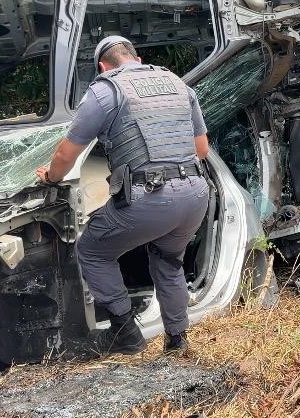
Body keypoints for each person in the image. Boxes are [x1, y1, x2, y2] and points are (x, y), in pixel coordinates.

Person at [36, 35, 209, 356]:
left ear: (103, 67)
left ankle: (125, 334)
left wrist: (51, 177)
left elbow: (65, 154)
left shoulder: (105, 91)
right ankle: (177, 340)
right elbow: (201, 150)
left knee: (92, 251)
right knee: (168, 261)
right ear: (137, 59)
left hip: (151, 198)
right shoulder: (177, 84)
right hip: (196, 194)